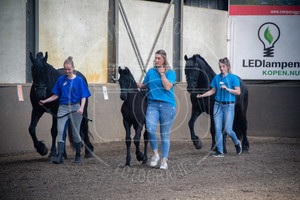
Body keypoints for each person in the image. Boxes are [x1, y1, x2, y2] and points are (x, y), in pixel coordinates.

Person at [39, 56, 91, 164]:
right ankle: (60, 156)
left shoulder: (79, 80)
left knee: (76, 132)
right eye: (65, 69)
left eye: (69, 69)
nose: (67, 71)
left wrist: (81, 108)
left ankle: (78, 155)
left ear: (73, 68)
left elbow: (83, 96)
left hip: (75, 108)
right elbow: (56, 95)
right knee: (61, 131)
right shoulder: (60, 80)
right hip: (62, 108)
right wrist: (45, 101)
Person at [196, 57, 242, 157]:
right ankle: (220, 151)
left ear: (227, 67)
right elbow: (213, 90)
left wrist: (228, 89)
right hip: (218, 105)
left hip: (229, 105)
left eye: (223, 66)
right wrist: (202, 95)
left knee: (228, 130)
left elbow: (238, 92)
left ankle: (237, 143)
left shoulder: (233, 78)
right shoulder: (217, 78)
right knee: (217, 128)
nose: (221, 68)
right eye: (220, 66)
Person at [139, 49, 176, 170]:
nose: (156, 60)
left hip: (168, 106)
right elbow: (145, 85)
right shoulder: (150, 72)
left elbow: (167, 87)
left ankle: (164, 160)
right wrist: (139, 84)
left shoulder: (171, 73)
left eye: (158, 58)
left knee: (164, 134)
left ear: (164, 59)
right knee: (150, 129)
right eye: (155, 58)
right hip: (153, 105)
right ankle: (155, 154)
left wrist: (162, 74)